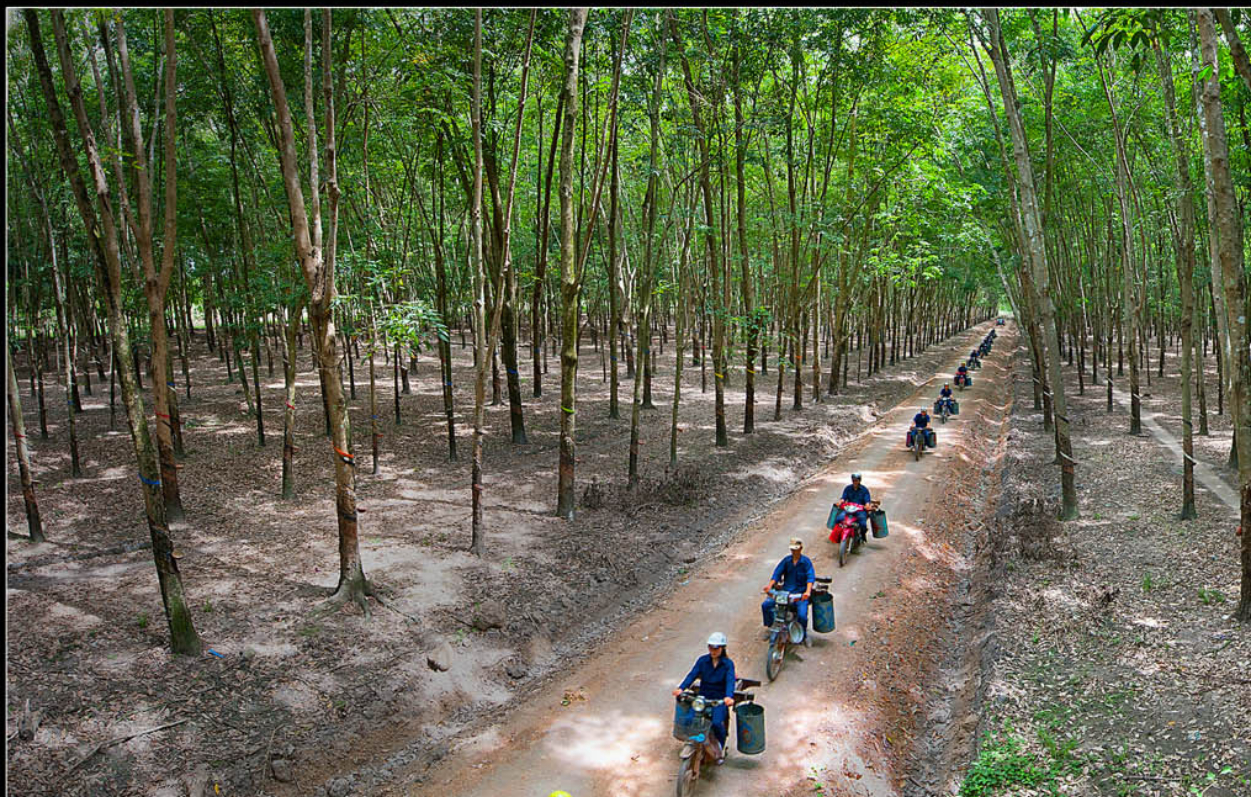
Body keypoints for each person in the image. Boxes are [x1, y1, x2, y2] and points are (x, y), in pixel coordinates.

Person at [673, 632, 736, 762]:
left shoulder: (728, 664)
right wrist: (681, 688)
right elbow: (692, 675)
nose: (713, 651)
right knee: (690, 719)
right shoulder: (702, 661)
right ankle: (693, 743)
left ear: (722, 648)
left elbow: (730, 682)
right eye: (711, 647)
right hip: (702, 698)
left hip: (718, 700)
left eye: (716, 648)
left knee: (717, 723)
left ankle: (720, 747)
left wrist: (728, 697)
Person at [761, 537, 816, 644]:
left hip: (799, 595)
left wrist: (807, 591)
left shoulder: (806, 562)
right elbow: (777, 574)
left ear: (801, 548)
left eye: (796, 549)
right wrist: (770, 586)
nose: (794, 551)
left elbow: (810, 577)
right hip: (785, 593)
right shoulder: (786, 561)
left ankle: (803, 635)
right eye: (792, 549)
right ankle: (770, 626)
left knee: (802, 616)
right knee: (766, 605)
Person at [835, 473, 872, 538]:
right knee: (838, 519)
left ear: (859, 481)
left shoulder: (864, 490)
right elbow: (843, 498)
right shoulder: (848, 488)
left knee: (863, 525)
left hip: (860, 510)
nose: (855, 482)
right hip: (849, 509)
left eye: (856, 480)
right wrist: (840, 502)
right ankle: (839, 535)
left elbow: (867, 500)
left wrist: (867, 505)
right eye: (853, 480)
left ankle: (862, 536)